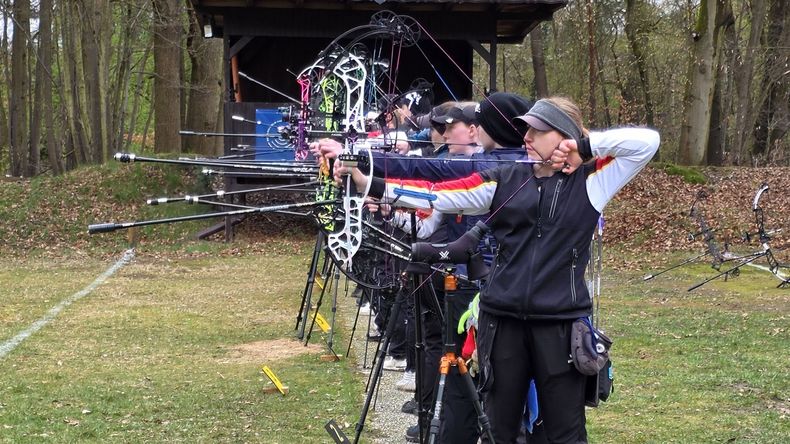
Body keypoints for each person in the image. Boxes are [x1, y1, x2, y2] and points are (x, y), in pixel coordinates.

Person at [346, 96, 660, 443]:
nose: (526, 137)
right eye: (526, 129)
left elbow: (647, 142)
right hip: (502, 322)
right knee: (497, 431)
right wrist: (369, 183)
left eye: (538, 131)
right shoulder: (505, 179)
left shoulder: (592, 180)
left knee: (565, 433)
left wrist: (585, 147)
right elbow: (439, 194)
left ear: (564, 137)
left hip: (560, 326)